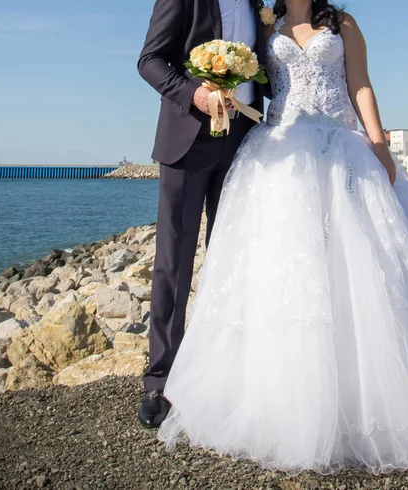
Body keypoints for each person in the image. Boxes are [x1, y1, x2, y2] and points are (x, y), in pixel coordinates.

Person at [157, 0, 408, 475]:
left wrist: (378, 142)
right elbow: (252, 82)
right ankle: (285, 404)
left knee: (363, 269)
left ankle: (369, 406)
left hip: (341, 146)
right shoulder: (266, 24)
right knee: (287, 274)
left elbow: (361, 84)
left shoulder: (343, 23)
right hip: (280, 153)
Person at [136, 0, 267, 429]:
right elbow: (149, 60)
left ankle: (224, 370)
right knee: (173, 263)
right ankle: (160, 379)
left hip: (245, 140)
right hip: (188, 141)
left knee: (231, 258)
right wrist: (194, 93)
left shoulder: (258, 5)